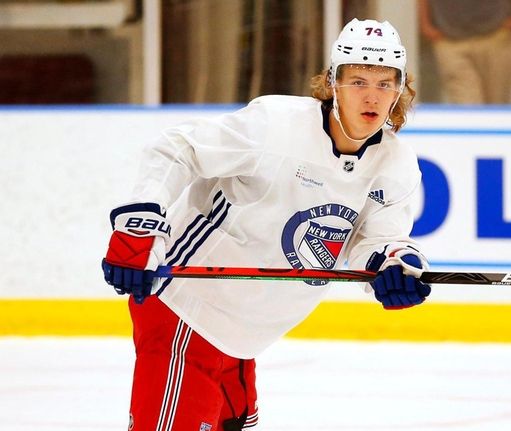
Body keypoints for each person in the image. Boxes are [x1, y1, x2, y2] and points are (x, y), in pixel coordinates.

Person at [101, 18, 431, 431]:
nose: (372, 96)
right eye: (358, 81)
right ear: (332, 83)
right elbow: (177, 148)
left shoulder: (397, 164)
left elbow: (378, 241)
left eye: (385, 83)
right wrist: (141, 221)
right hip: (187, 313)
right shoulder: (275, 125)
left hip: (243, 338)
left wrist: (394, 266)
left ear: (400, 90)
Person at [419, 0, 511, 104]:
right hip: (450, 41)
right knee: (468, 110)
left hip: (496, 36)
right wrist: (424, 23)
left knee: (496, 108)